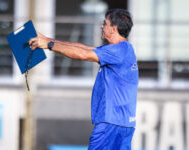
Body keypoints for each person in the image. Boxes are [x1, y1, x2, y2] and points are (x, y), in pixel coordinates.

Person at [29, 8, 139, 150]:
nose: (101, 26)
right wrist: (47, 40)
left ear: (113, 29)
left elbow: (83, 54)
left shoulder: (118, 51)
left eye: (104, 23)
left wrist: (50, 45)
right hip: (125, 125)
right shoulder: (122, 50)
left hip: (110, 124)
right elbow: (85, 48)